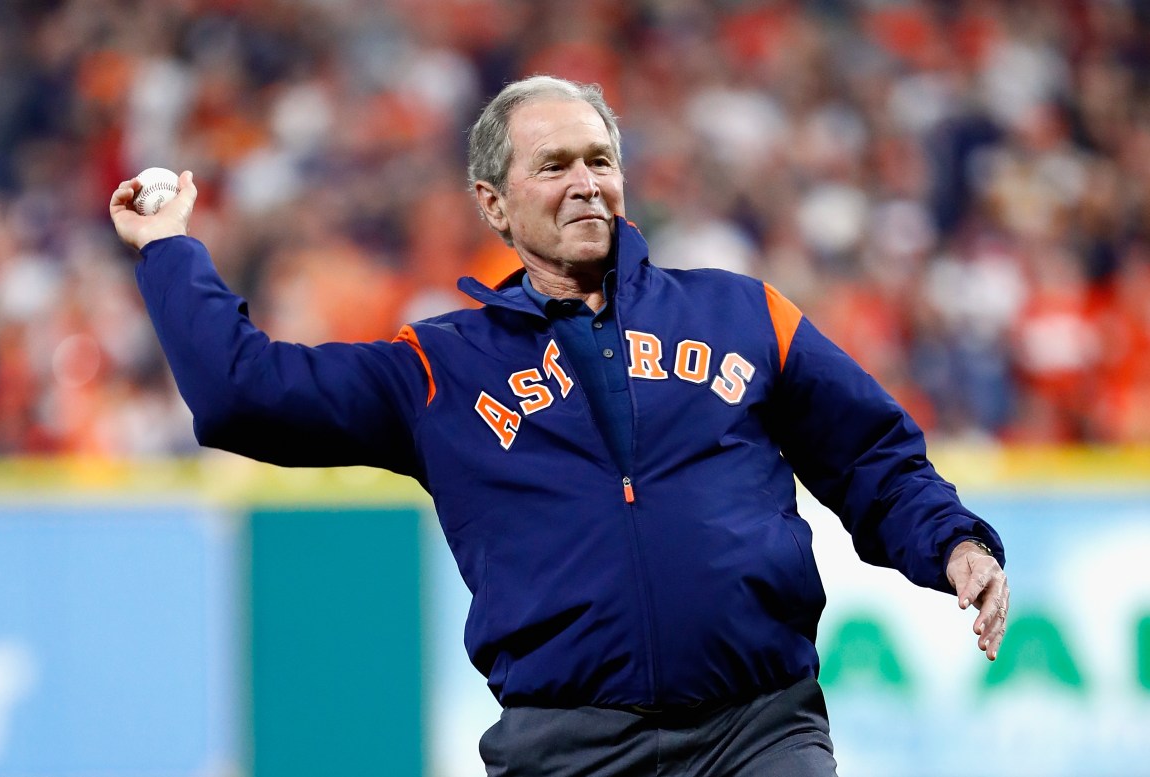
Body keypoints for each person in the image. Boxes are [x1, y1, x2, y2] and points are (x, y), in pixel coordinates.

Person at [109, 76, 1009, 776]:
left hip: (758, 729)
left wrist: (955, 544)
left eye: (599, 160)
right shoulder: (438, 368)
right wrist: (169, 250)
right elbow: (242, 393)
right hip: (568, 748)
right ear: (494, 204)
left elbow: (871, 456)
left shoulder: (742, 314)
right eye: (554, 166)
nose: (586, 184)